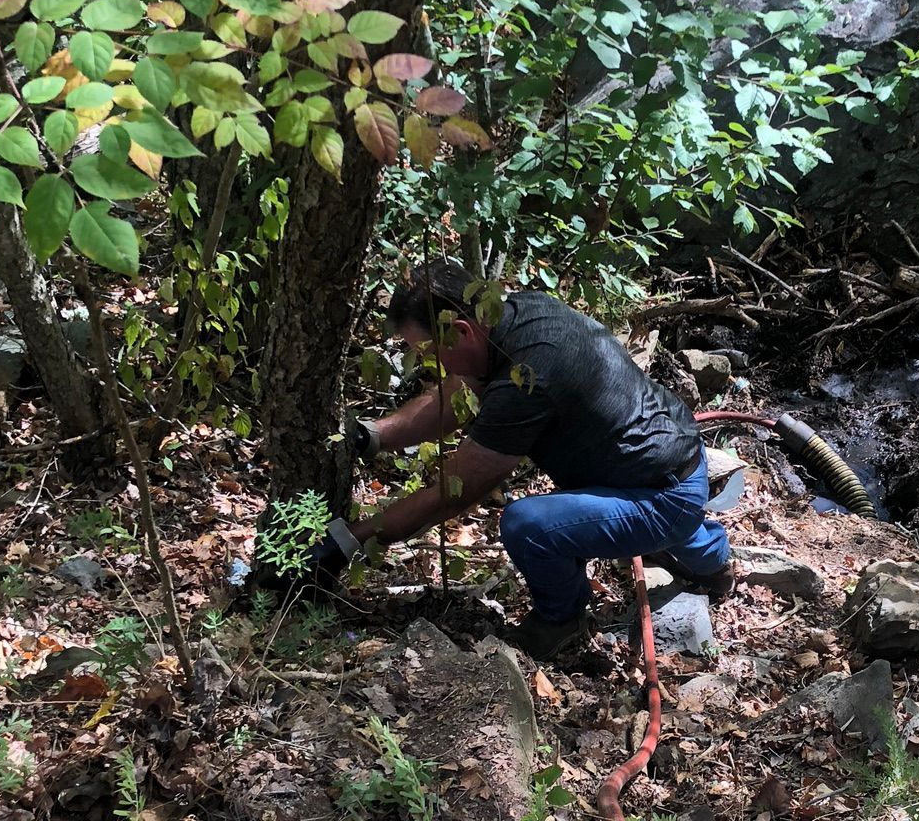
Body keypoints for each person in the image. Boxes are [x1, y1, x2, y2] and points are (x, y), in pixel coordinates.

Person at [310, 262, 733, 661]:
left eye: (430, 351)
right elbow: (458, 396)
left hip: (658, 493)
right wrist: (373, 437)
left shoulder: (529, 376)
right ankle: (715, 561)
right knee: (674, 527)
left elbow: (454, 492)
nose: (431, 364)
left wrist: (348, 542)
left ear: (461, 331)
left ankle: (561, 619)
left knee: (528, 525)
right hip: (673, 464)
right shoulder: (519, 313)